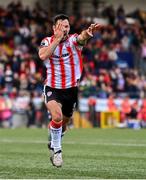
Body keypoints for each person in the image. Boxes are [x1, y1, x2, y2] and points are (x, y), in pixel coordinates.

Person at [38, 14, 102, 167]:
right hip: (52, 87)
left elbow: (81, 38)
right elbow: (43, 55)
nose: (65, 29)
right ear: (54, 28)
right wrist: (57, 39)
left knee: (64, 123)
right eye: (61, 26)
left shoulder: (73, 40)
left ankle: (55, 139)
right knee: (57, 116)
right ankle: (57, 152)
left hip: (71, 89)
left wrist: (87, 33)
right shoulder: (46, 41)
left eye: (67, 26)